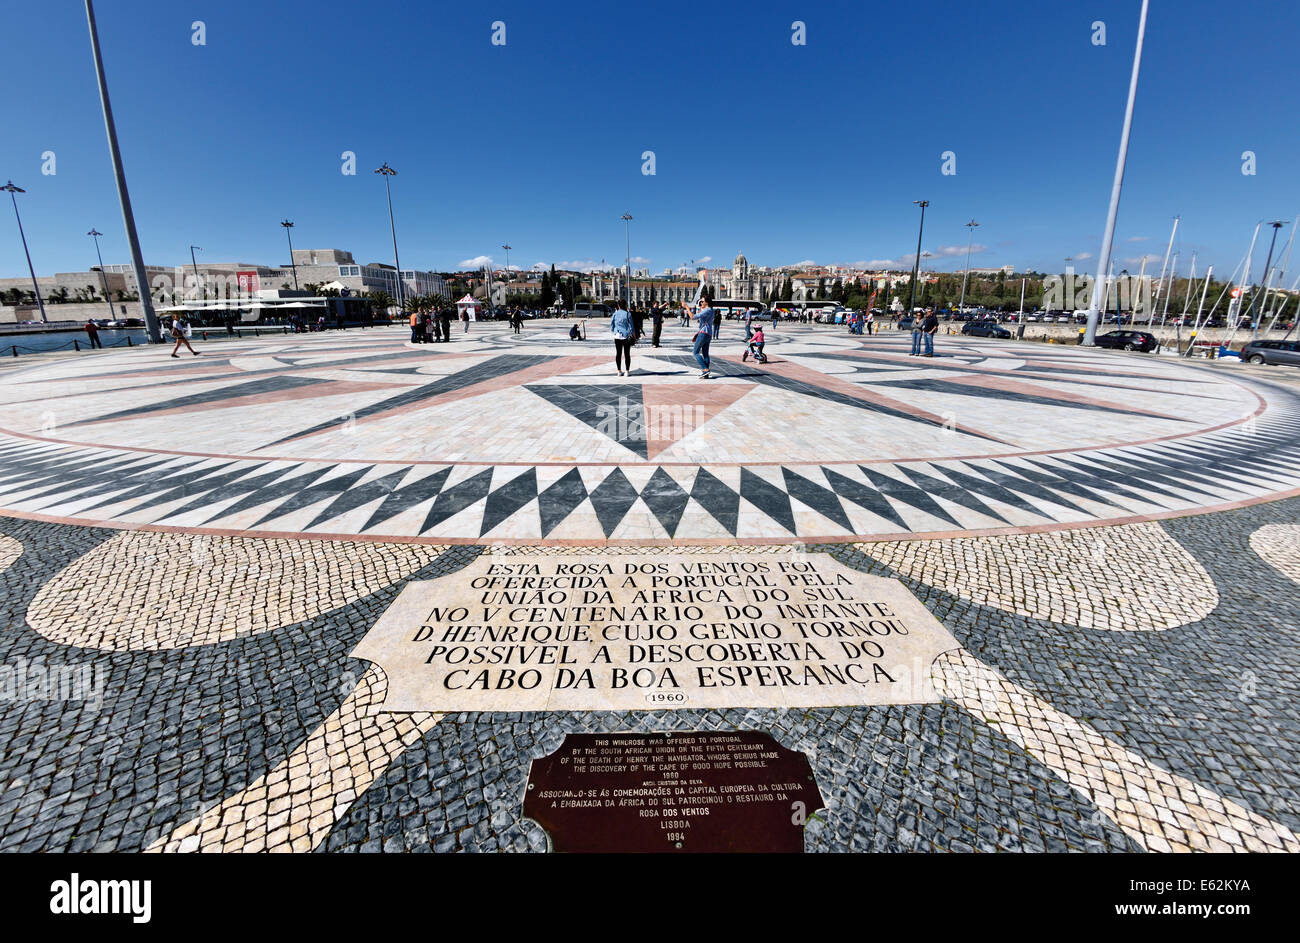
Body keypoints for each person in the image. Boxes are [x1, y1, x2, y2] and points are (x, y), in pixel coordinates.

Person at [688, 299, 714, 378]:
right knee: (705, 354)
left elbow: (692, 317)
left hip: (703, 333)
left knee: (695, 352)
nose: (701, 302)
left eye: (702, 301)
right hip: (708, 334)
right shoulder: (710, 310)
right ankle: (705, 373)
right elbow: (701, 315)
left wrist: (687, 307)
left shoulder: (708, 310)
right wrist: (700, 308)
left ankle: (705, 369)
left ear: (707, 302)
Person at [611, 302, 635, 376]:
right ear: (625, 305)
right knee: (627, 354)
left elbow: (612, 325)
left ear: (618, 306)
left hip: (617, 335)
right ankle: (627, 371)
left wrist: (614, 331)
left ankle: (619, 371)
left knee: (618, 354)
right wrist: (634, 336)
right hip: (626, 336)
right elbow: (631, 326)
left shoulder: (615, 314)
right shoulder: (628, 314)